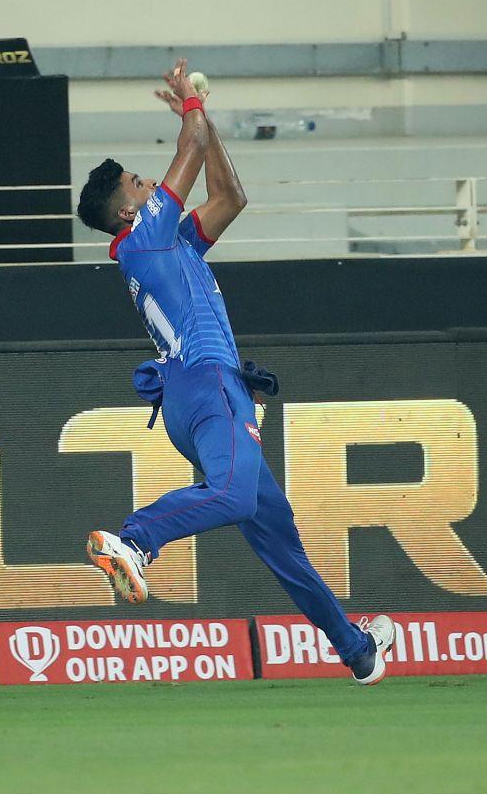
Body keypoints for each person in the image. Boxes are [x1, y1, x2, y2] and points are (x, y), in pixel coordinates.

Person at [74, 59, 394, 685]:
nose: (148, 185)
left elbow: (231, 197)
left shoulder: (171, 243)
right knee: (234, 494)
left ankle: (355, 651)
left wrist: (206, 121)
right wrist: (192, 108)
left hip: (192, 402)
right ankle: (134, 540)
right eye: (138, 182)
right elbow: (189, 148)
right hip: (209, 385)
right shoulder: (145, 236)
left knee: (279, 540)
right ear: (125, 211)